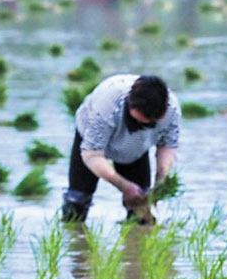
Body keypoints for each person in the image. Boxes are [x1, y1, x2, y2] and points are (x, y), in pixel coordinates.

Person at [60, 74, 180, 223]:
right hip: (90, 138)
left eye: (152, 121)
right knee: (76, 202)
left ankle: (136, 238)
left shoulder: (172, 109)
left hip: (136, 148)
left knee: (141, 208)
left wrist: (161, 180)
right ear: (131, 104)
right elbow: (92, 155)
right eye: (143, 119)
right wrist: (125, 186)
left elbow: (167, 147)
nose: (148, 123)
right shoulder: (107, 104)